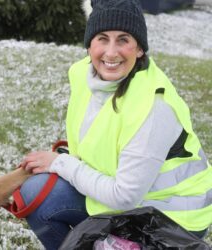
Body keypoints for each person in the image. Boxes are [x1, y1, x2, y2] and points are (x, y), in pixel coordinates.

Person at [18, 0, 212, 249]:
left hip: (170, 221)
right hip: (127, 201)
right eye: (102, 38)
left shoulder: (153, 106)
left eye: (123, 39)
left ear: (139, 48)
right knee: (36, 191)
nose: (111, 53)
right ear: (89, 45)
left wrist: (60, 163)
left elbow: (124, 198)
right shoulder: (83, 76)